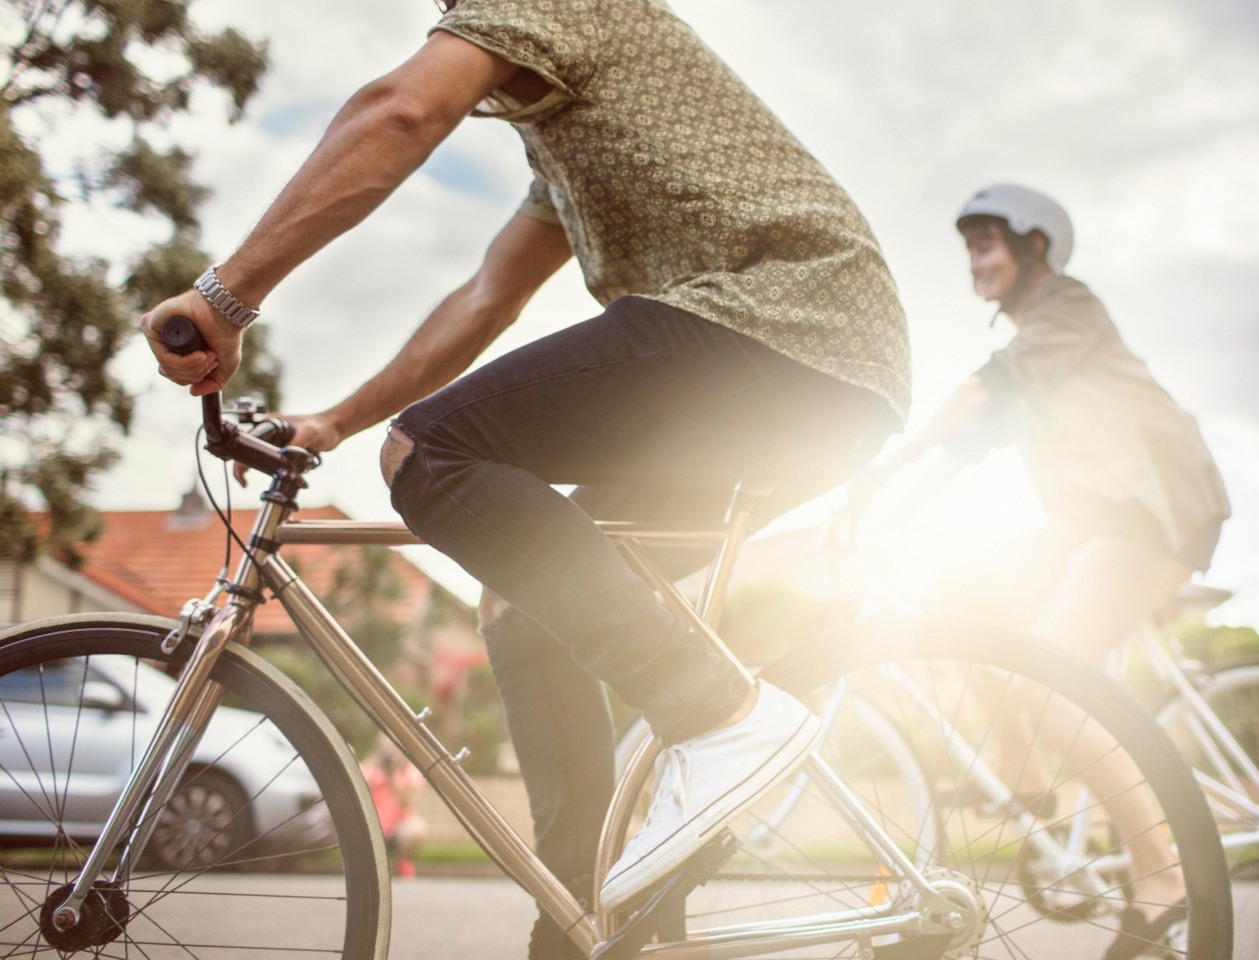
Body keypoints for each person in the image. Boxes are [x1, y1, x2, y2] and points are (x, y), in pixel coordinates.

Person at [140, 2, 910, 957]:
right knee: (517, 593)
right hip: (807, 373)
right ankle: (592, 914)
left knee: (429, 455)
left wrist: (224, 297)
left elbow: (398, 115)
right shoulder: (564, 143)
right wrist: (337, 421)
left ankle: (722, 715)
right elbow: (485, 298)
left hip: (783, 330)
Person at [862, 183, 1229, 960]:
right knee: (963, 602)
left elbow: (994, 382)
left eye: (989, 243)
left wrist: (902, 450)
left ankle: (1163, 879)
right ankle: (1026, 780)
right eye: (969, 248)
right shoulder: (1036, 339)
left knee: (1046, 674)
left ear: (1035, 248)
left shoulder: (1068, 308)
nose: (976, 260)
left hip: (1155, 508)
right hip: (1094, 521)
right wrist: (878, 512)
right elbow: (970, 445)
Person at [360, 740, 428, 879]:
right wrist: (375, 768)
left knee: (417, 829)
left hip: (398, 827)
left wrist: (393, 776)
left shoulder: (408, 770)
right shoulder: (371, 766)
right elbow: (359, 793)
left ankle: (403, 861)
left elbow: (407, 801)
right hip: (372, 825)